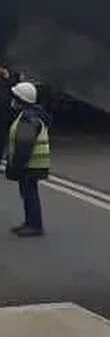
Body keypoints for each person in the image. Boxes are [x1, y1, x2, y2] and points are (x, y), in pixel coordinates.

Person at [4, 81, 50, 237]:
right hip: (33, 164)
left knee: (30, 194)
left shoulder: (28, 119)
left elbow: (24, 146)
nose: (12, 100)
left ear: (20, 100)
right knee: (28, 193)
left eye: (15, 97)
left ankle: (34, 225)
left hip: (31, 164)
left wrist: (15, 167)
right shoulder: (30, 116)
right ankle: (30, 222)